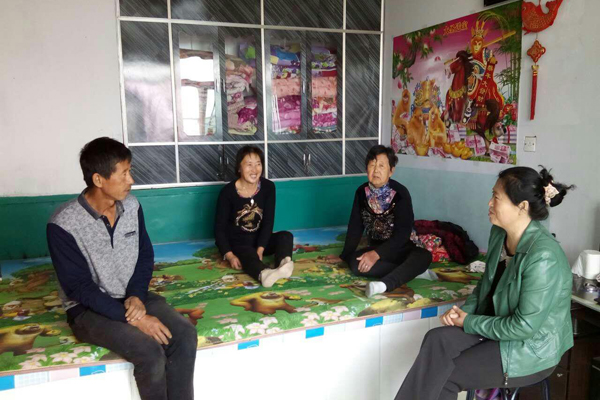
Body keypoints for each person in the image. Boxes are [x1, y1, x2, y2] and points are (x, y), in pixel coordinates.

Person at [395, 166, 575, 400]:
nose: (489, 203)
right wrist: (463, 312)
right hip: (495, 325)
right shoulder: (499, 234)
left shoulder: (543, 257)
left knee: (445, 375)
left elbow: (523, 327)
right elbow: (486, 285)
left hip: (528, 349)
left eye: (496, 197)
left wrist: (469, 321)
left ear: (522, 206)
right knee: (436, 340)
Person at [47, 137, 197, 400]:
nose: (131, 180)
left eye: (130, 171)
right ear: (98, 179)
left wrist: (137, 296)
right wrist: (137, 319)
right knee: (149, 349)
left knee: (184, 334)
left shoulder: (132, 206)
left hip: (132, 298)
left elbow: (144, 255)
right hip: (88, 310)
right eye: (124, 173)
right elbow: (78, 287)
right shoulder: (63, 224)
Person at [340, 145, 432, 298]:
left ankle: (383, 285)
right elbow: (355, 226)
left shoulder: (400, 193)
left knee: (424, 257)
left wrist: (376, 255)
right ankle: (410, 272)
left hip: (403, 248)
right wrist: (345, 256)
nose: (376, 170)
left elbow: (403, 234)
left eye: (381, 166)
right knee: (355, 263)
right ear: (366, 169)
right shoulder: (361, 192)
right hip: (377, 247)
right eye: (372, 165)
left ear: (391, 171)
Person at [215, 145, 294, 287]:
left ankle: (283, 264)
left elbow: (268, 222)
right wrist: (230, 255)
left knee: (285, 236)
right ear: (239, 168)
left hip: (259, 238)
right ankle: (264, 274)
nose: (254, 169)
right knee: (247, 254)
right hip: (238, 243)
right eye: (249, 164)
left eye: (258, 164)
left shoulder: (268, 187)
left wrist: (261, 248)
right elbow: (219, 229)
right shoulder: (227, 193)